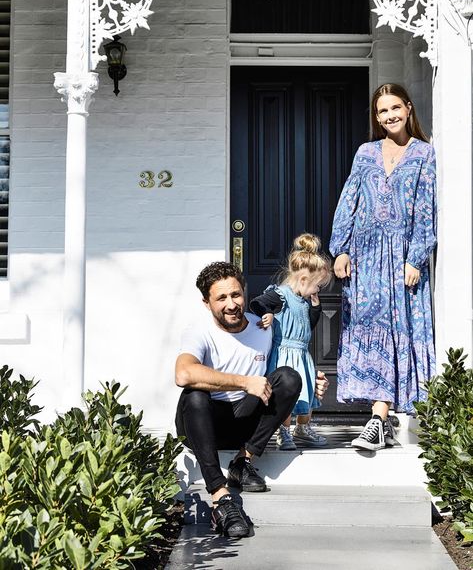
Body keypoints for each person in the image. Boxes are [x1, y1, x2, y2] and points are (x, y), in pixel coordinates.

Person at [329, 83, 437, 451]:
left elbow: (426, 210)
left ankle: (379, 417)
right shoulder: (366, 152)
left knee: (396, 331)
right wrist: (340, 249)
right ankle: (380, 417)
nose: (389, 116)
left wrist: (415, 258)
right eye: (381, 111)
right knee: (367, 329)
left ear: (408, 108)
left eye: (395, 108)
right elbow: (349, 200)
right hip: (365, 258)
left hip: (401, 259)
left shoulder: (424, 154)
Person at [175, 261, 303, 539]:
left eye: (236, 295)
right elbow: (183, 373)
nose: (231, 304)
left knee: (290, 377)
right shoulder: (199, 331)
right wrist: (244, 381)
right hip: (204, 423)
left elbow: (290, 359)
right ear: (207, 303)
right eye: (221, 298)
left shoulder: (263, 326)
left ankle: (242, 462)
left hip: (245, 423)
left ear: (245, 293)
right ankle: (221, 497)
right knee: (194, 395)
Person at [250, 233, 331, 450]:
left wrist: (315, 306)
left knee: (308, 393)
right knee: (287, 397)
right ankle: (283, 431)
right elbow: (257, 303)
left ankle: (303, 429)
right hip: (284, 355)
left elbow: (310, 324)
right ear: (304, 280)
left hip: (302, 354)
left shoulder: (305, 300)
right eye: (317, 286)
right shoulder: (281, 295)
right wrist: (267, 313)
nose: (318, 290)